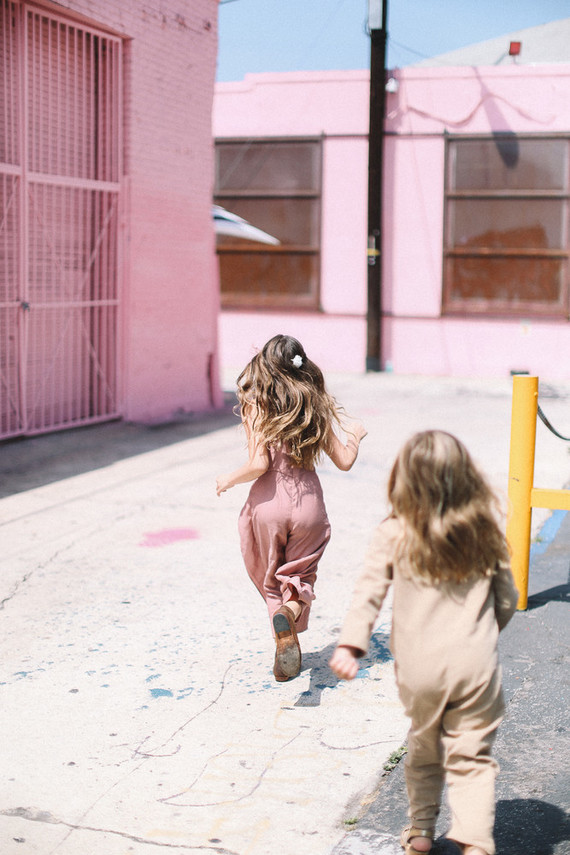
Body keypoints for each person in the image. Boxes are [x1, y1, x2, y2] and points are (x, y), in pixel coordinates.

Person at [330, 430, 519, 855]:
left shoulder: (394, 532)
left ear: (404, 479)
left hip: (420, 669)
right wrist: (483, 636)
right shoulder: (484, 530)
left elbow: (369, 591)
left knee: (424, 745)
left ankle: (419, 833)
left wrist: (351, 645)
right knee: (471, 758)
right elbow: (507, 599)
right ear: (466, 478)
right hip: (476, 664)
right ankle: (475, 843)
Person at [216, 334, 367, 682]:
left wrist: (228, 478)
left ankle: (283, 641)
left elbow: (258, 465)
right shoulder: (313, 402)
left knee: (271, 582)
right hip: (309, 506)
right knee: (298, 578)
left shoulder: (256, 403)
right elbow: (344, 460)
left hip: (267, 503)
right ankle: (292, 610)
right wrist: (355, 437)